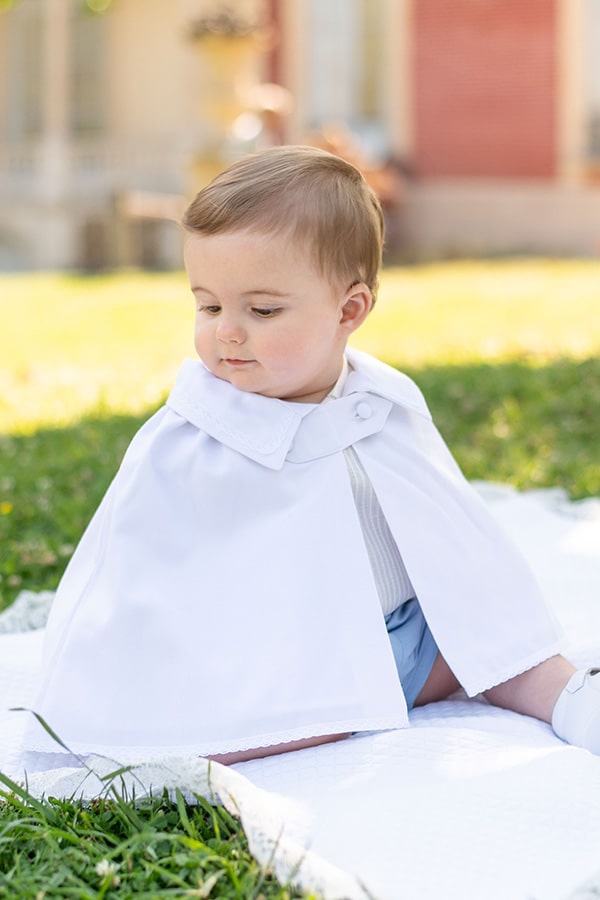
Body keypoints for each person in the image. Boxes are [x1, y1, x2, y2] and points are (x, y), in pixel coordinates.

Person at [25, 146, 600, 769]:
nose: (227, 332)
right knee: (243, 723)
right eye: (209, 305)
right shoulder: (193, 437)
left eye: (262, 310)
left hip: (406, 636)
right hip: (272, 660)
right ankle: (320, 719)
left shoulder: (380, 402)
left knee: (500, 646)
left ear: (349, 310)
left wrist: (479, 616)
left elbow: (453, 539)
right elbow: (142, 574)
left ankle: (568, 698)